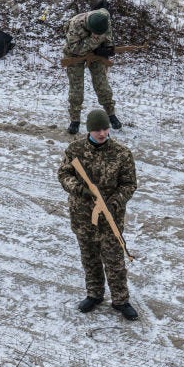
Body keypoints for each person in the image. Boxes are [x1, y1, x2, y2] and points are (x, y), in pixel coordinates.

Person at [57, 109, 138, 319]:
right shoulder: (75, 150)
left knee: (114, 261)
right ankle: (94, 294)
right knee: (89, 258)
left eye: (105, 129)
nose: (102, 133)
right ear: (89, 130)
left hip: (110, 217)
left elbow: (129, 184)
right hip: (83, 216)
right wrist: (79, 189)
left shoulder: (121, 153)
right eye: (97, 130)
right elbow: (64, 174)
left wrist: (115, 202)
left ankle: (120, 300)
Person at [63, 7, 121, 135]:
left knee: (102, 84)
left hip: (96, 53)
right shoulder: (75, 25)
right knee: (76, 88)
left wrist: (108, 47)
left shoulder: (104, 18)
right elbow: (75, 49)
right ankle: (75, 120)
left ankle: (111, 114)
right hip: (75, 55)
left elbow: (108, 33)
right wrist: (95, 42)